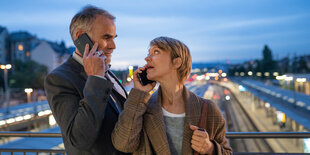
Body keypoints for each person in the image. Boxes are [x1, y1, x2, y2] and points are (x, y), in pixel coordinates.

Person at [112, 36, 232, 155]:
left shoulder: (208, 109)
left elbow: (227, 152)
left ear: (176, 62)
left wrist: (210, 148)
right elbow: (123, 145)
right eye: (149, 53)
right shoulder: (141, 108)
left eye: (156, 52)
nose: (147, 58)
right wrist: (139, 93)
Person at [44, 5, 129, 155]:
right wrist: (95, 78)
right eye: (106, 37)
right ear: (81, 37)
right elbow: (79, 139)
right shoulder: (59, 79)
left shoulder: (107, 71)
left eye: (114, 38)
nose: (113, 46)